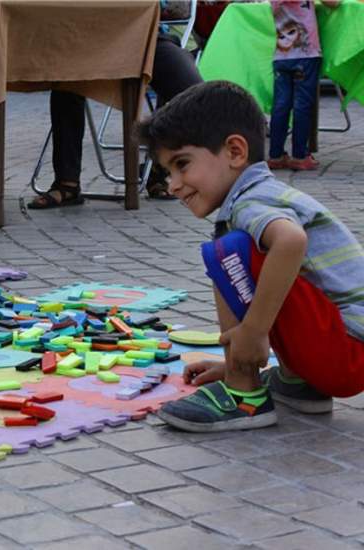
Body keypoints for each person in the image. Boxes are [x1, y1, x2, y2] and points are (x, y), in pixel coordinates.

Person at [138, 80, 364, 432]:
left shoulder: (250, 200)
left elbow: (290, 241)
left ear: (235, 152)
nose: (173, 184)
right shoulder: (265, 193)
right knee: (243, 250)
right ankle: (298, 383)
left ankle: (243, 394)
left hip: (347, 352)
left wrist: (253, 332)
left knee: (227, 252)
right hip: (345, 351)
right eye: (168, 172)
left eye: (182, 164)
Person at [28, 8, 203, 208]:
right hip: (86, 39)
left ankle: (159, 166)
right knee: (67, 77)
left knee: (193, 90)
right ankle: (67, 183)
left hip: (143, 39)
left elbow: (178, 8)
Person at [267, 0, 340, 171]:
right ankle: (300, 156)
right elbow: (334, 3)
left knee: (280, 105)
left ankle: (275, 155)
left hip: (281, 55)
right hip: (306, 54)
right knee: (302, 106)